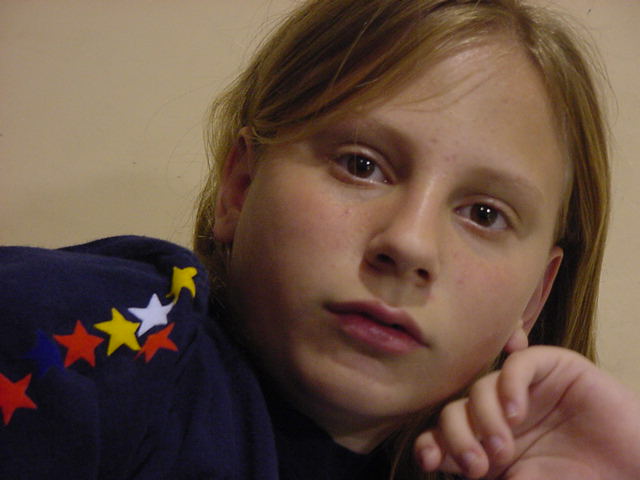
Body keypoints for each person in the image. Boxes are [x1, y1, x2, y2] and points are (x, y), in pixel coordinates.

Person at [1, 0, 638, 479]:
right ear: (239, 187)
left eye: (485, 214)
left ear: (534, 299)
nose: (410, 244)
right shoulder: (86, 340)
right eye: (361, 165)